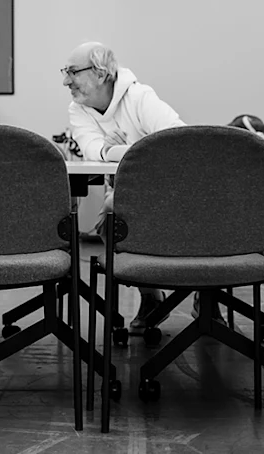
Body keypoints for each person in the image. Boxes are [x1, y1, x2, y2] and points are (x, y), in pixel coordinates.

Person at [64, 41, 186, 329]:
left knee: (112, 207)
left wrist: (127, 148)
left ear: (101, 73)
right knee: (110, 213)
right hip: (127, 196)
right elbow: (94, 150)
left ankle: (206, 293)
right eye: (65, 72)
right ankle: (151, 295)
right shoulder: (78, 109)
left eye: (73, 72)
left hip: (173, 191)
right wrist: (119, 150)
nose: (66, 81)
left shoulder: (140, 97)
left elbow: (180, 143)